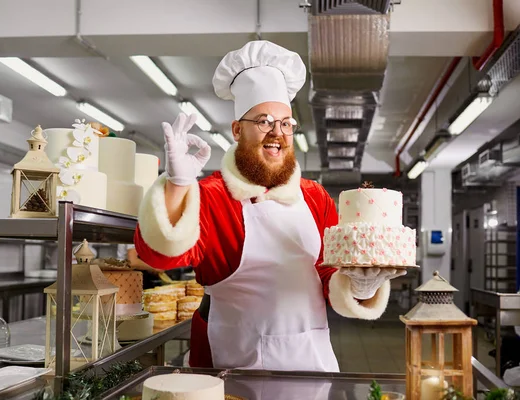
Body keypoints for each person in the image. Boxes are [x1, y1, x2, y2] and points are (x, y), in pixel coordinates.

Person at [134, 40, 405, 371]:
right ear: (237, 129)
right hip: (233, 366)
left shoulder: (315, 197)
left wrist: (362, 285)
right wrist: (177, 186)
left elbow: (329, 273)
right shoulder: (214, 196)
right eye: (263, 121)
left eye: (286, 123)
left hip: (312, 362)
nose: (277, 133)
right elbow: (160, 255)